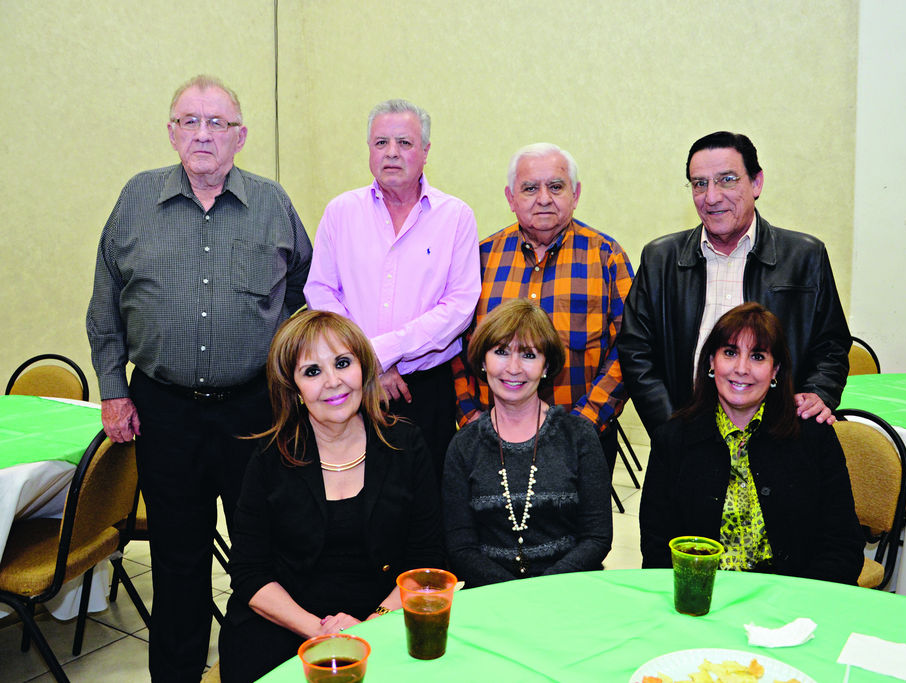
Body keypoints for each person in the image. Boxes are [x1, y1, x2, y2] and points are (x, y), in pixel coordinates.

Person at [85, 74, 312, 682]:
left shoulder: (272, 204)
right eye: (190, 121)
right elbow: (105, 305)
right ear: (171, 132)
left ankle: (253, 672)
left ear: (241, 135)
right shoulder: (136, 199)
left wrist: (289, 375)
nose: (203, 134)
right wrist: (112, 390)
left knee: (260, 556)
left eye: (218, 123)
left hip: (254, 411)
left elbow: (303, 291)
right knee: (178, 560)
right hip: (164, 413)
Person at [219, 310, 444, 682]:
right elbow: (248, 573)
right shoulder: (268, 457)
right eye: (312, 371)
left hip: (383, 615)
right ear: (293, 389)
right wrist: (321, 632)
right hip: (286, 623)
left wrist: (372, 624)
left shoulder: (407, 444)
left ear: (363, 368)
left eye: (342, 363)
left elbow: (427, 558)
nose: (333, 381)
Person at [618, 131, 850, 435]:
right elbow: (635, 352)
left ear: (756, 183)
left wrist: (820, 392)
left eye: (727, 180)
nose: (712, 197)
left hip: (780, 436)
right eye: (700, 183)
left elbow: (831, 345)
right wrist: (670, 429)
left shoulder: (805, 257)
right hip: (684, 435)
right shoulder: (660, 259)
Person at [304, 98, 481, 477]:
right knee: (352, 488)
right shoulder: (340, 212)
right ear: (369, 149)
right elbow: (320, 292)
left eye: (404, 143)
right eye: (381, 142)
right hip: (347, 385)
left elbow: (460, 306)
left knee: (425, 495)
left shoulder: (456, 216)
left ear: (426, 151)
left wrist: (382, 353)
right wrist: (367, 363)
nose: (392, 153)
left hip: (425, 389)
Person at [638, 303, 863, 584]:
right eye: (730, 353)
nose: (742, 369)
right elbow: (656, 550)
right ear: (711, 362)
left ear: (775, 370)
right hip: (702, 599)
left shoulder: (813, 436)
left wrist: (797, 602)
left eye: (757, 356)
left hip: (795, 599)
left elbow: (843, 545)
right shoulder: (673, 439)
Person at [452, 143, 633, 473]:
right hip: (490, 442)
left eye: (556, 186)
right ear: (510, 198)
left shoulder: (607, 257)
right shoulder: (479, 259)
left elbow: (630, 349)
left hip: (583, 442)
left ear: (576, 194)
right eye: (530, 188)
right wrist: (471, 418)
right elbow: (454, 346)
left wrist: (582, 425)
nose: (544, 198)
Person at [444, 299, 612, 587]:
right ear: (483, 361)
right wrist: (514, 596)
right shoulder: (463, 446)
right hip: (490, 597)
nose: (513, 368)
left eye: (529, 355)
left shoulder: (579, 436)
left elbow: (596, 537)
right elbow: (460, 548)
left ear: (546, 366)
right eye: (501, 352)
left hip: (568, 591)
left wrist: (540, 592)